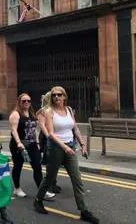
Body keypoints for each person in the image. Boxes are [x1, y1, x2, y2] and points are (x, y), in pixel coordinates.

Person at [33, 87, 99, 224]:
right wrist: (64, 147)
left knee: (77, 180)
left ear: (64, 96)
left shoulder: (68, 110)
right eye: (54, 95)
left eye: (59, 94)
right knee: (49, 178)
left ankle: (84, 210)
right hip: (56, 148)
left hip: (70, 147)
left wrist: (82, 145)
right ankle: (38, 200)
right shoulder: (49, 111)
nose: (56, 97)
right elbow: (50, 133)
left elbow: (75, 128)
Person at [9, 93, 55, 199]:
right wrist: (19, 143)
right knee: (18, 166)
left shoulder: (31, 113)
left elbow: (34, 130)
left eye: (28, 101)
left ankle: (42, 191)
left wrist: (37, 143)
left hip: (32, 144)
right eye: (24, 101)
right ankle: (17, 188)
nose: (26, 103)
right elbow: (14, 130)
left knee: (37, 167)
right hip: (19, 145)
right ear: (19, 102)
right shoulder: (15, 114)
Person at [37, 91, 62, 193]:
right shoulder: (42, 111)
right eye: (52, 97)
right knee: (50, 162)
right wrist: (49, 136)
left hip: (56, 137)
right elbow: (42, 126)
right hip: (48, 138)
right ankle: (50, 184)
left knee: (55, 161)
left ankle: (53, 182)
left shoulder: (55, 110)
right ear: (48, 99)